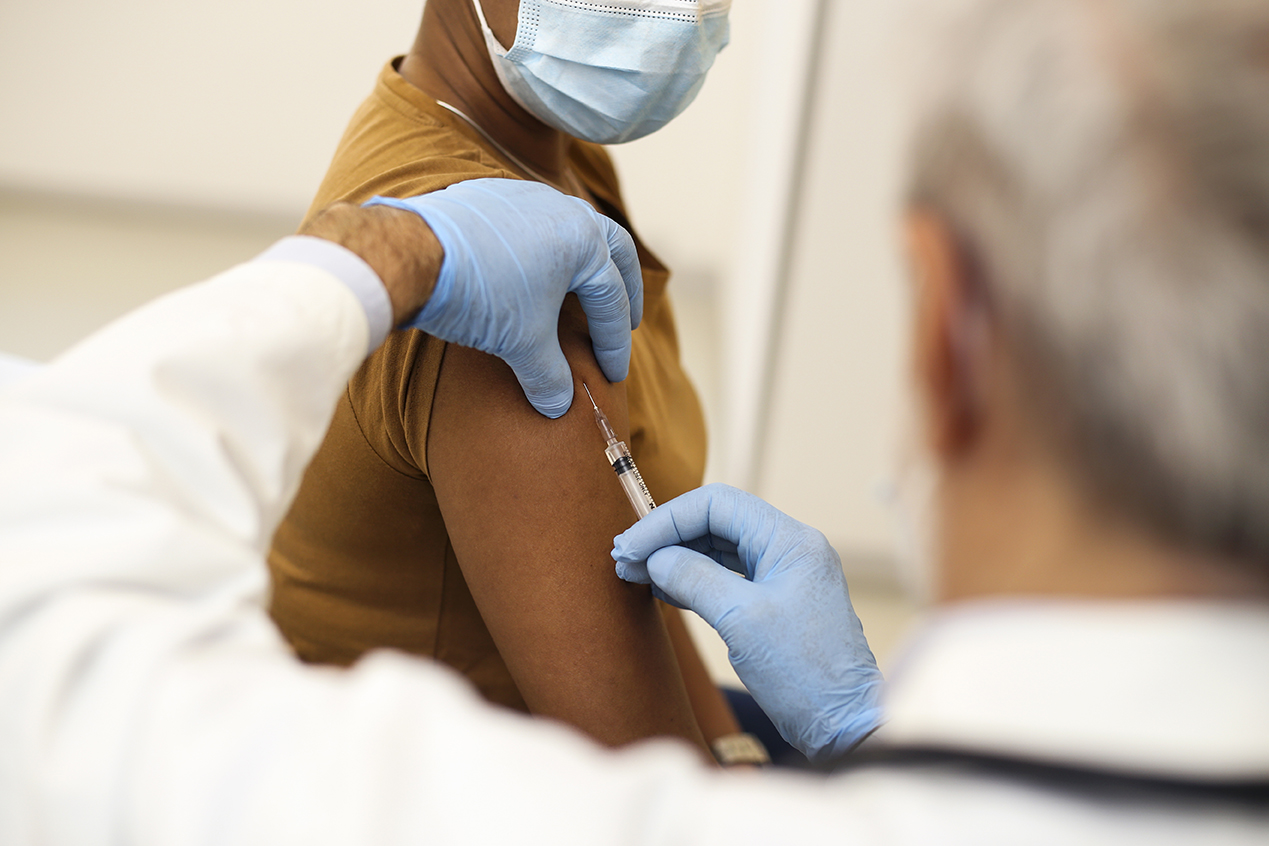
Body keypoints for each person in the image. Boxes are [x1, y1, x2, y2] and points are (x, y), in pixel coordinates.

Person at [2, 0, 1267, 843]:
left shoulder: (501, 204)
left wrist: (365, 259)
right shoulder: (535, 184)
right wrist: (847, 734)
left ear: (940, 329)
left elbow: (42, 583)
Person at [264, 0, 749, 758]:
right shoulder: (505, 307)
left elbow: (632, 533)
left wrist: (739, 753)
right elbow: (645, 790)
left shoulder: (533, 143)